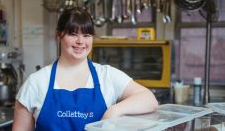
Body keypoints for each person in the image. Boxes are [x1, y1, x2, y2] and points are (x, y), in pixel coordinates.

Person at [12, 7, 158, 131]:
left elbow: (149, 99)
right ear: (58, 36)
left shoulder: (106, 76)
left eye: (86, 35)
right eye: (73, 34)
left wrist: (114, 111)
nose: (80, 42)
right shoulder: (36, 83)